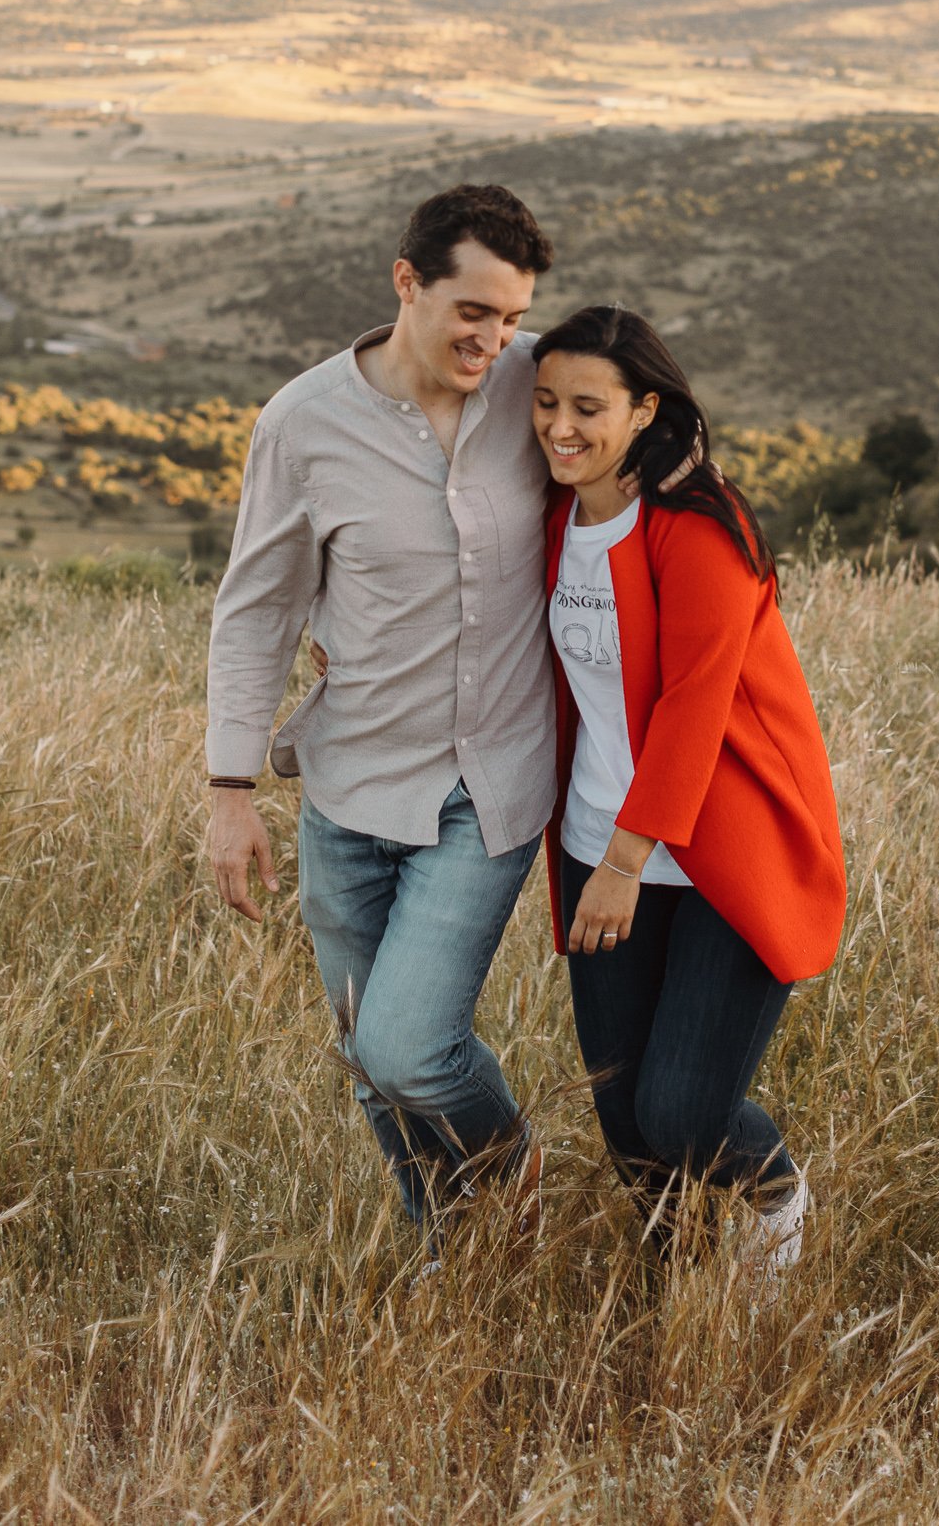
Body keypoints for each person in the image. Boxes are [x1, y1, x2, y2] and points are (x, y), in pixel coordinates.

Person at [205, 183, 558, 1243]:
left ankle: (510, 1168)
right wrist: (229, 790)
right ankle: (443, 1248)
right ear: (407, 284)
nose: (494, 339)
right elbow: (256, 607)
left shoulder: (540, 383)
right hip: (349, 789)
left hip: (486, 788)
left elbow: (647, 442)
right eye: (473, 312)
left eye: (510, 316)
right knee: (368, 1063)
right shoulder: (303, 422)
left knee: (406, 1045)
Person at [530, 303, 847, 1284]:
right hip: (594, 842)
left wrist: (627, 860)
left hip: (715, 853)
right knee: (625, 1119)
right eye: (544, 403)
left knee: (682, 1109)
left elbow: (692, 705)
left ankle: (773, 1195)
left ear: (643, 410)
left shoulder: (697, 522)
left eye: (588, 406)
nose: (560, 427)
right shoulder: (551, 516)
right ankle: (678, 1286)